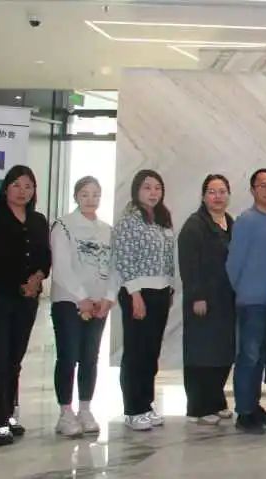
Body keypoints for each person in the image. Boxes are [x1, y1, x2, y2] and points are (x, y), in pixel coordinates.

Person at [0, 165, 49, 445]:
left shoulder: (38, 220)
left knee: (13, 360)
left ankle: (8, 414)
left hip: (26, 301)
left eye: (28, 186)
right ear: (6, 188)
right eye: (17, 185)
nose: (22, 191)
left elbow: (45, 256)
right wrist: (22, 283)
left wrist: (37, 278)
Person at [50, 176, 115, 438]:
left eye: (96, 194)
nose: (91, 199)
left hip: (98, 304)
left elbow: (114, 267)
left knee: (90, 357)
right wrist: (81, 297)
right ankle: (65, 412)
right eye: (85, 194)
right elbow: (61, 268)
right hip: (69, 302)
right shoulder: (63, 225)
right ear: (76, 196)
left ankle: (85, 409)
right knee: (68, 356)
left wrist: (108, 298)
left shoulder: (107, 230)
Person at [113, 169, 176, 432]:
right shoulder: (129, 220)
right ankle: (132, 409)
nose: (153, 193)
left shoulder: (162, 218)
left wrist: (170, 288)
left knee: (151, 353)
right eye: (147, 187)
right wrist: (135, 294)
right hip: (137, 292)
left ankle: (146, 404)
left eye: (157, 188)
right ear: (137, 190)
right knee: (136, 352)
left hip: (160, 291)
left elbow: (168, 257)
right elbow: (123, 258)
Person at [227, 168, 266, 434]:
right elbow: (233, 263)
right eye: (263, 185)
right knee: (249, 357)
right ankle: (244, 412)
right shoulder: (246, 220)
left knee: (260, 358)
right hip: (252, 301)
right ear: (252, 190)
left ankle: (253, 405)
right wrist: (243, 291)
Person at [178, 174, 236, 426]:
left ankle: (215, 400)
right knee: (201, 354)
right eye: (212, 192)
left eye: (222, 191)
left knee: (221, 352)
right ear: (203, 196)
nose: (217, 196)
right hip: (202, 301)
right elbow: (188, 265)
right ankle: (198, 407)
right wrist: (197, 296)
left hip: (226, 299)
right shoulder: (194, 225)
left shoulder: (230, 222)